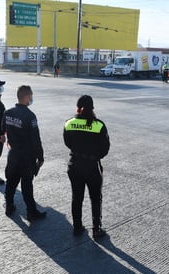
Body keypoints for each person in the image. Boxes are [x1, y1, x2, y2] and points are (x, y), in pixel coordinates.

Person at [63, 95, 110, 240]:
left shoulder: (69, 123)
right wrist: (94, 156)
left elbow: (67, 142)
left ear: (78, 108)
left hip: (75, 165)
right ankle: (97, 229)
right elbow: (105, 149)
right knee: (96, 198)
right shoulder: (99, 125)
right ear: (92, 108)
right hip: (92, 166)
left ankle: (77, 227)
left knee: (77, 197)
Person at [2, 85, 46, 221]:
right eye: (31, 96)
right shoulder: (30, 116)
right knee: (27, 185)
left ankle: (9, 205)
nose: (31, 98)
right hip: (27, 157)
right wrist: (40, 156)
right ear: (26, 97)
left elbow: (2, 129)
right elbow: (35, 139)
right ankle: (31, 212)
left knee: (11, 182)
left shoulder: (8, 112)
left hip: (13, 154)